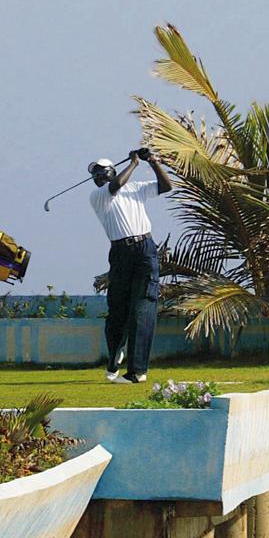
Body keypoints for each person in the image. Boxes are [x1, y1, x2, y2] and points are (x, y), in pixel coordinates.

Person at [89, 147, 173, 383]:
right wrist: (135, 163)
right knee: (117, 311)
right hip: (120, 252)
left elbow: (166, 186)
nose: (98, 177)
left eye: (102, 172)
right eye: (95, 174)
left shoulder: (135, 189)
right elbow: (115, 186)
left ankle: (137, 371)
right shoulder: (99, 195)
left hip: (145, 249)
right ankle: (115, 355)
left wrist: (154, 161)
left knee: (142, 308)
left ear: (112, 171)